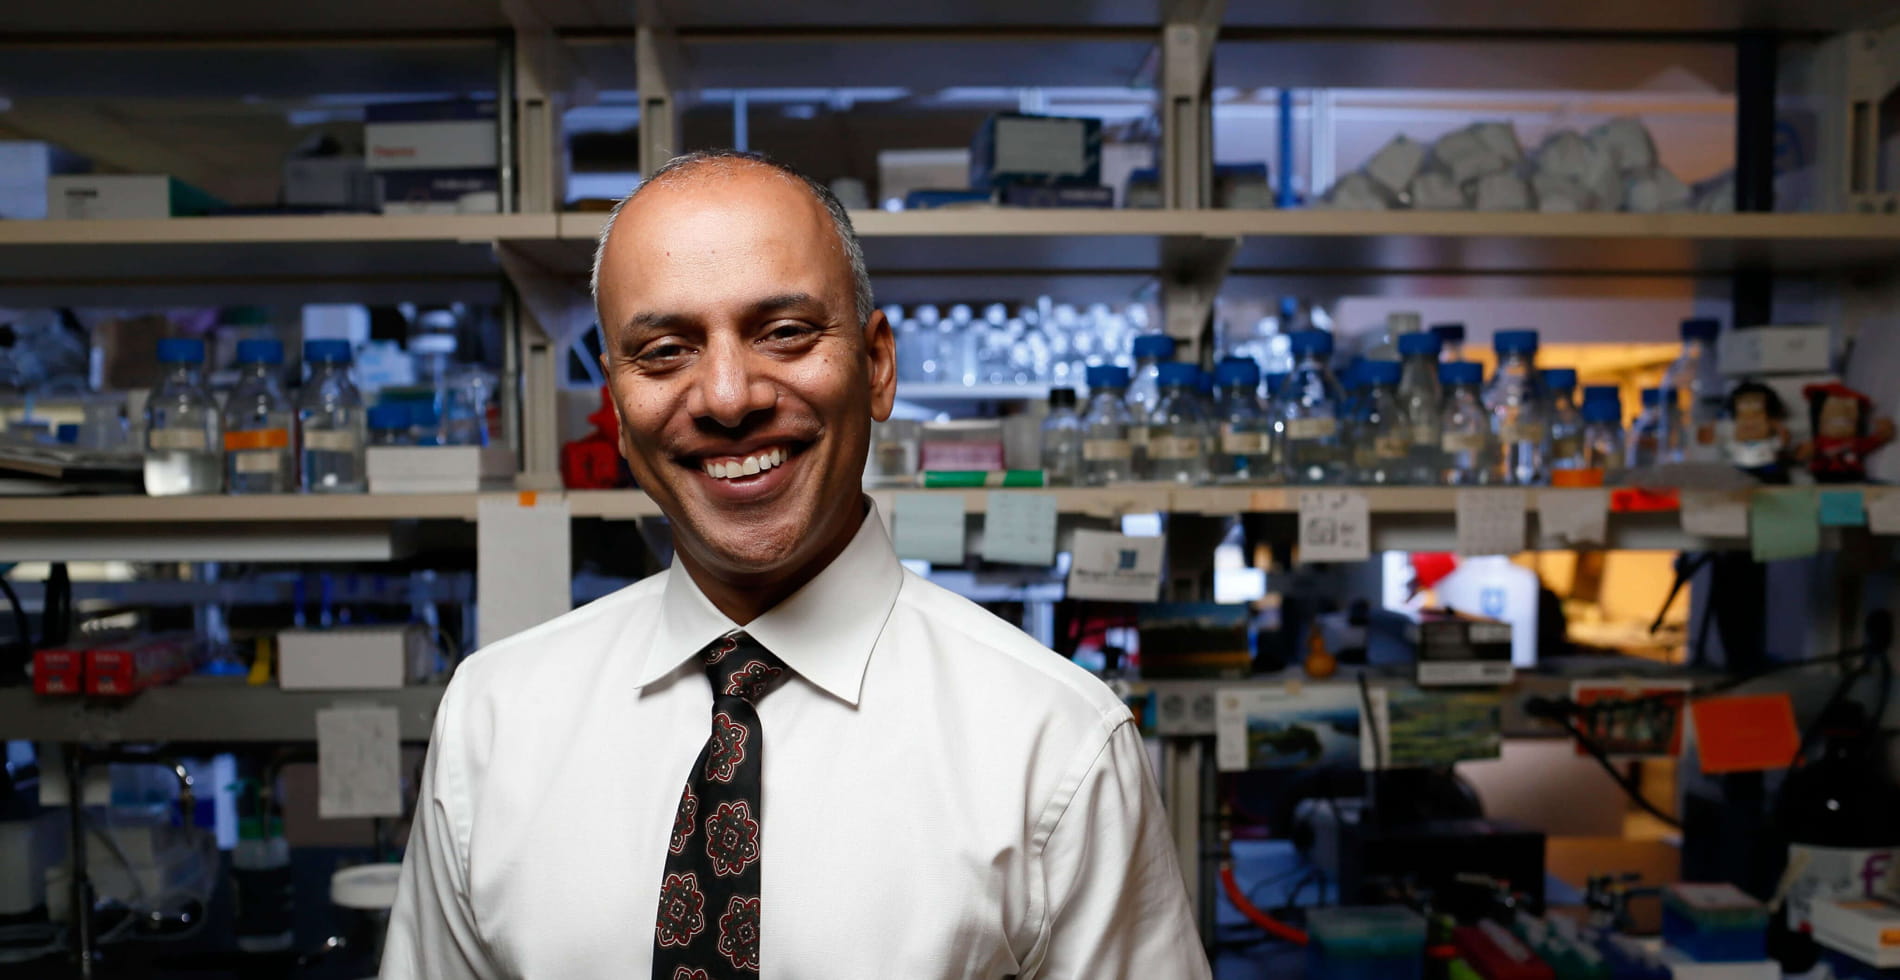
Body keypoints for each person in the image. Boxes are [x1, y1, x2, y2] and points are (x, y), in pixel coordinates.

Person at [381, 150, 1210, 980]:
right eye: (666, 350)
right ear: (619, 408)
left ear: (877, 366)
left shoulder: (1055, 747)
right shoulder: (494, 723)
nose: (730, 397)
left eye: (785, 333)